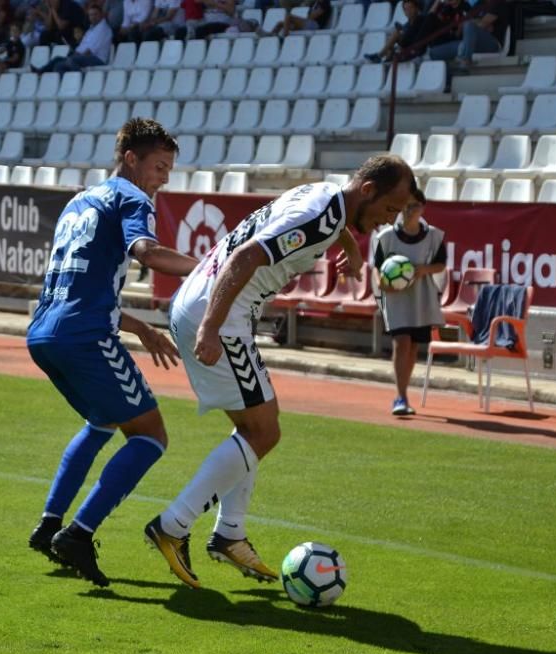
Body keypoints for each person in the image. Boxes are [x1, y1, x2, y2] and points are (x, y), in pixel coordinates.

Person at [145, 155, 415, 589]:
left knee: (256, 427)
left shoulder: (326, 194)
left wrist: (349, 246)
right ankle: (173, 526)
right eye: (388, 210)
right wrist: (212, 329)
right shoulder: (321, 216)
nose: (388, 221)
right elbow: (249, 257)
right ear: (367, 191)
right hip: (217, 313)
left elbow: (327, 224)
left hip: (204, 302)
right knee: (263, 432)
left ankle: (229, 533)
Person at [26, 118, 200, 587]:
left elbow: (78, 284)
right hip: (84, 336)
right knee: (150, 436)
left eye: (169, 168)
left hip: (44, 333)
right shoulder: (132, 198)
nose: (164, 177)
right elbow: (146, 252)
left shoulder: (78, 201)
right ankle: (78, 534)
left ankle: (48, 525)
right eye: (160, 166)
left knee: (103, 421)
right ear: (130, 159)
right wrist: (212, 267)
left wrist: (139, 325)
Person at [372, 187, 446, 416]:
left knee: (413, 346)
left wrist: (421, 270)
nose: (408, 211)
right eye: (404, 206)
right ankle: (400, 396)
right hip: (396, 297)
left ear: (422, 207)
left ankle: (404, 392)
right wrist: (382, 283)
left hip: (421, 296)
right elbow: (377, 265)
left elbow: (441, 264)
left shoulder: (433, 236)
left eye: (413, 206)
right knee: (401, 341)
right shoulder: (386, 237)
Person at [35, 4, 111, 73]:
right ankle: (42, 72)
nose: (93, 17)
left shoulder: (103, 29)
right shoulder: (92, 28)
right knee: (58, 63)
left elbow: (90, 51)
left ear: (101, 15)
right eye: (91, 15)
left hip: (97, 59)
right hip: (84, 56)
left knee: (71, 60)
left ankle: (80, 81)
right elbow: (82, 45)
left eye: (95, 14)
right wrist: (76, 54)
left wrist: (76, 56)